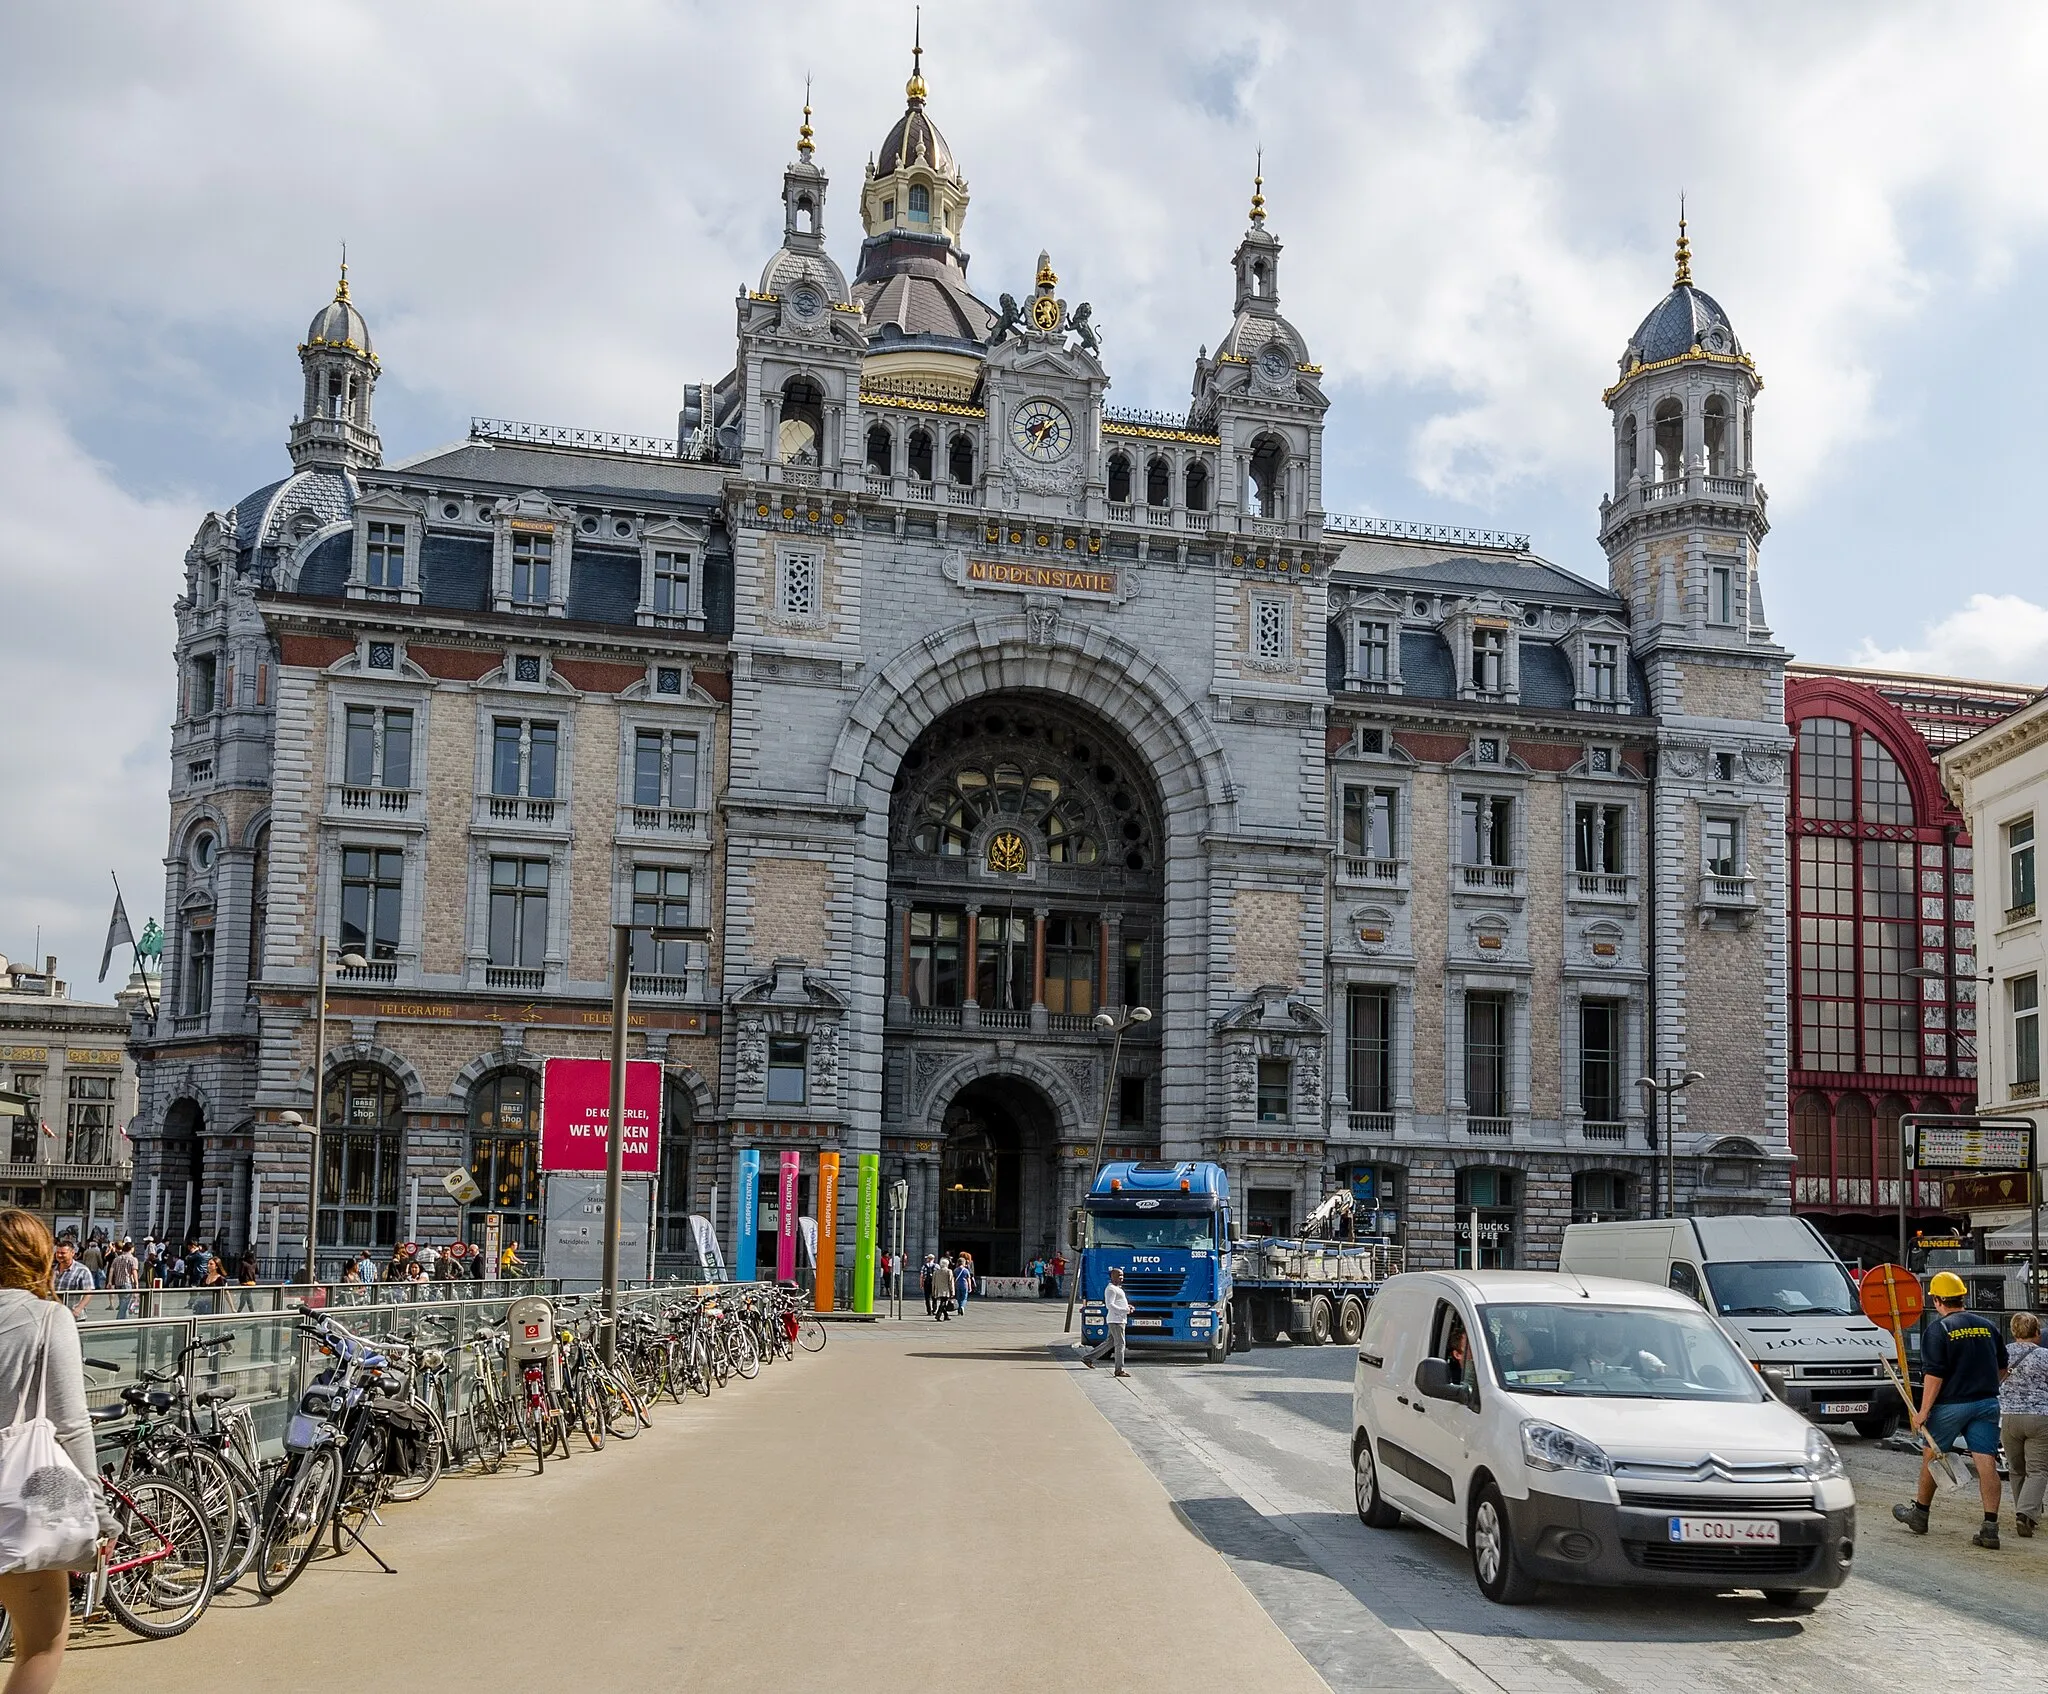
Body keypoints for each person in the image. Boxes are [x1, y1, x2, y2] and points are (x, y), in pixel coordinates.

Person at [0, 1209, 119, 1694]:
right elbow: (71, 1426)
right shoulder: (49, 1318)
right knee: (42, 1643)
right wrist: (99, 1512)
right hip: (15, 1506)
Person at [1894, 1271, 2009, 1548]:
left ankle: (1920, 1515)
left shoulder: (1938, 1330)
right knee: (1987, 1464)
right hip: (1986, 1403)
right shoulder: (1987, 1326)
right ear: (1961, 1297)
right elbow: (2003, 1367)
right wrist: (1988, 1386)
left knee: (1931, 1457)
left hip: (1950, 1406)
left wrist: (1922, 1412)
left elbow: (1934, 1375)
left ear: (1936, 1300)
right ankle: (1990, 1527)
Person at [2000, 1310, 2048, 1539]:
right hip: (2040, 1417)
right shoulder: (2045, 1356)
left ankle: (2024, 1511)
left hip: (2008, 1417)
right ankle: (2026, 1514)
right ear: (2037, 1332)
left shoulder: (2003, 1353)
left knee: (2016, 1469)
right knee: (2037, 1469)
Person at [1084, 1266, 1130, 1376]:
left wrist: (1127, 1307)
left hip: (1119, 1319)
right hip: (1116, 1321)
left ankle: (1088, 1358)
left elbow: (1118, 1303)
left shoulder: (1117, 1289)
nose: (1121, 1278)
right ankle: (1119, 1370)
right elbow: (1110, 1305)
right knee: (1120, 1344)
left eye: (1122, 1275)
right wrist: (1125, 1310)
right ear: (1112, 1277)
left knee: (1109, 1342)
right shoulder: (1111, 1289)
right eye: (1119, 1276)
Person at [51, 1239, 94, 1318]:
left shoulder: (82, 1270)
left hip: (73, 1316)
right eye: (57, 1253)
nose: (59, 1255)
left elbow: (88, 1292)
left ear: (72, 1253)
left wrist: (78, 1309)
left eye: (63, 1253)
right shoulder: (52, 1270)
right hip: (55, 1315)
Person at [106, 1236, 140, 1320]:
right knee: (125, 1302)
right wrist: (136, 1285)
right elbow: (134, 1272)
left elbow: (111, 1270)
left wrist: (110, 1282)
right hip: (127, 1282)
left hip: (118, 1283)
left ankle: (125, 1319)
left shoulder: (117, 1259)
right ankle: (120, 1319)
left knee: (122, 1301)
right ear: (131, 1249)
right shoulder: (133, 1259)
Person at [931, 1255, 954, 1321]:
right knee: (943, 1302)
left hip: (938, 1290)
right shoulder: (949, 1271)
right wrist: (952, 1291)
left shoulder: (936, 1272)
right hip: (946, 1290)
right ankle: (938, 1315)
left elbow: (933, 1283)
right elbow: (950, 1282)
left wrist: (933, 1291)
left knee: (942, 1302)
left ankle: (946, 1316)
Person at [920, 1253, 937, 1317]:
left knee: (927, 1297)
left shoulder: (924, 1266)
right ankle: (934, 1309)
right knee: (934, 1297)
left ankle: (929, 1311)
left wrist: (921, 1283)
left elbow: (921, 1275)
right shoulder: (936, 1266)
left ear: (929, 1259)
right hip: (933, 1283)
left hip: (926, 1283)